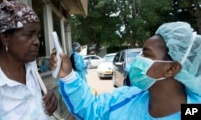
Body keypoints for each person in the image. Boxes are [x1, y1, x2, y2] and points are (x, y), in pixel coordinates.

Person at [49, 21, 201, 119]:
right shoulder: (128, 98)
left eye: (146, 54)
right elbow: (90, 108)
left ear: (171, 68)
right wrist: (67, 76)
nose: (138, 59)